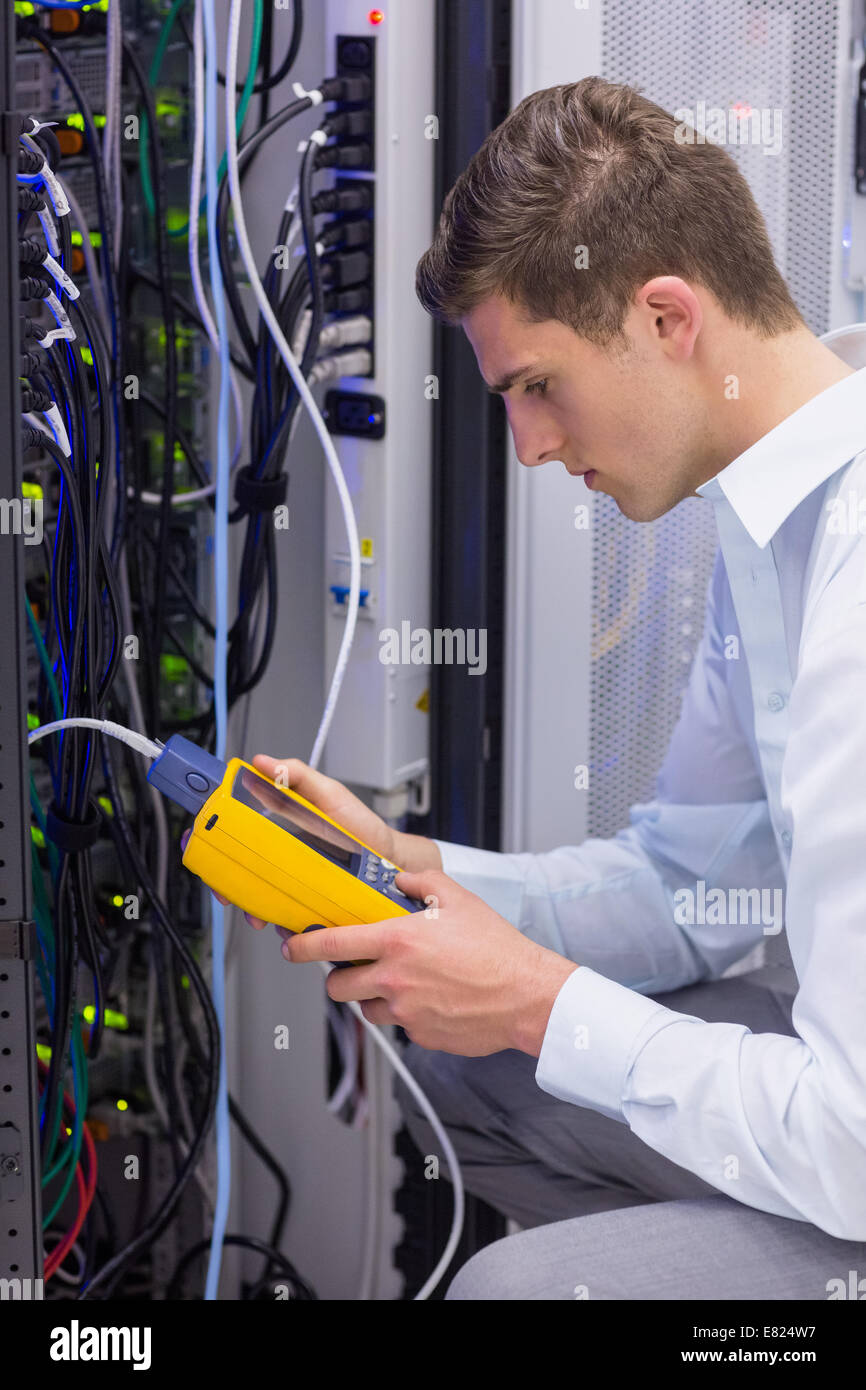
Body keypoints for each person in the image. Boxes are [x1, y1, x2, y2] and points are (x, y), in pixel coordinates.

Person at [241, 78, 866, 1299]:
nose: (527, 448)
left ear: (666, 317)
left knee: (510, 1292)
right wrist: (420, 875)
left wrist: (539, 1004)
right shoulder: (765, 529)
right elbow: (695, 887)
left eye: (537, 386)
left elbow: (851, 1139)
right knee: (443, 1057)